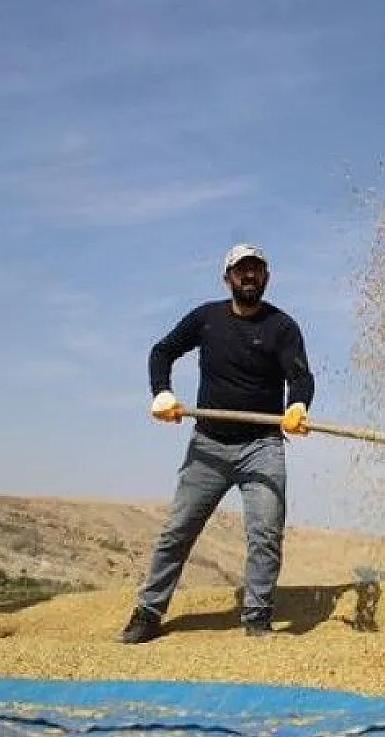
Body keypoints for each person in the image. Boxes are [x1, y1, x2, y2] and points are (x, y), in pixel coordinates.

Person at [122, 244, 313, 643]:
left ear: (266, 277)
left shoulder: (283, 327)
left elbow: (300, 376)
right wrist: (162, 393)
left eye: (256, 270)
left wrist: (297, 404)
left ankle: (257, 618)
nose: (249, 276)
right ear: (227, 278)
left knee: (265, 533)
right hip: (209, 446)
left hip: (263, 447)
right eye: (241, 270)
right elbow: (163, 351)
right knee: (178, 530)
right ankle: (149, 612)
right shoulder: (206, 318)